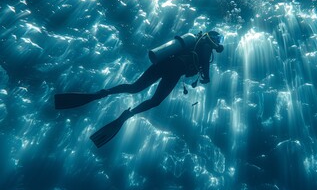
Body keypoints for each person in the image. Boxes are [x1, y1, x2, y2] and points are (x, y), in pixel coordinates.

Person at [55, 31, 224, 147]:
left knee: (134, 87)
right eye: (219, 40)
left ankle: (102, 93)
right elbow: (203, 65)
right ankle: (128, 115)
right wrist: (207, 77)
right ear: (215, 38)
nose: (219, 43)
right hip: (175, 70)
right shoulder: (206, 45)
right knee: (155, 101)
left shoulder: (195, 41)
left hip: (164, 64)